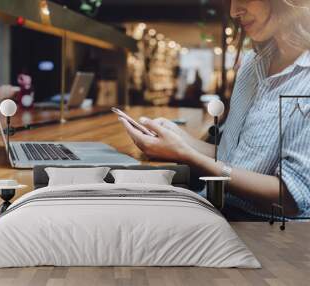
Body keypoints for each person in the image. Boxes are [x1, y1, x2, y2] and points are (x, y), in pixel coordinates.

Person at [120, 0, 310, 218]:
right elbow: (235, 157)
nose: (233, 11)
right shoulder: (252, 63)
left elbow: (292, 198)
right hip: (217, 208)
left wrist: (185, 154)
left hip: (264, 230)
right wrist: (180, 140)